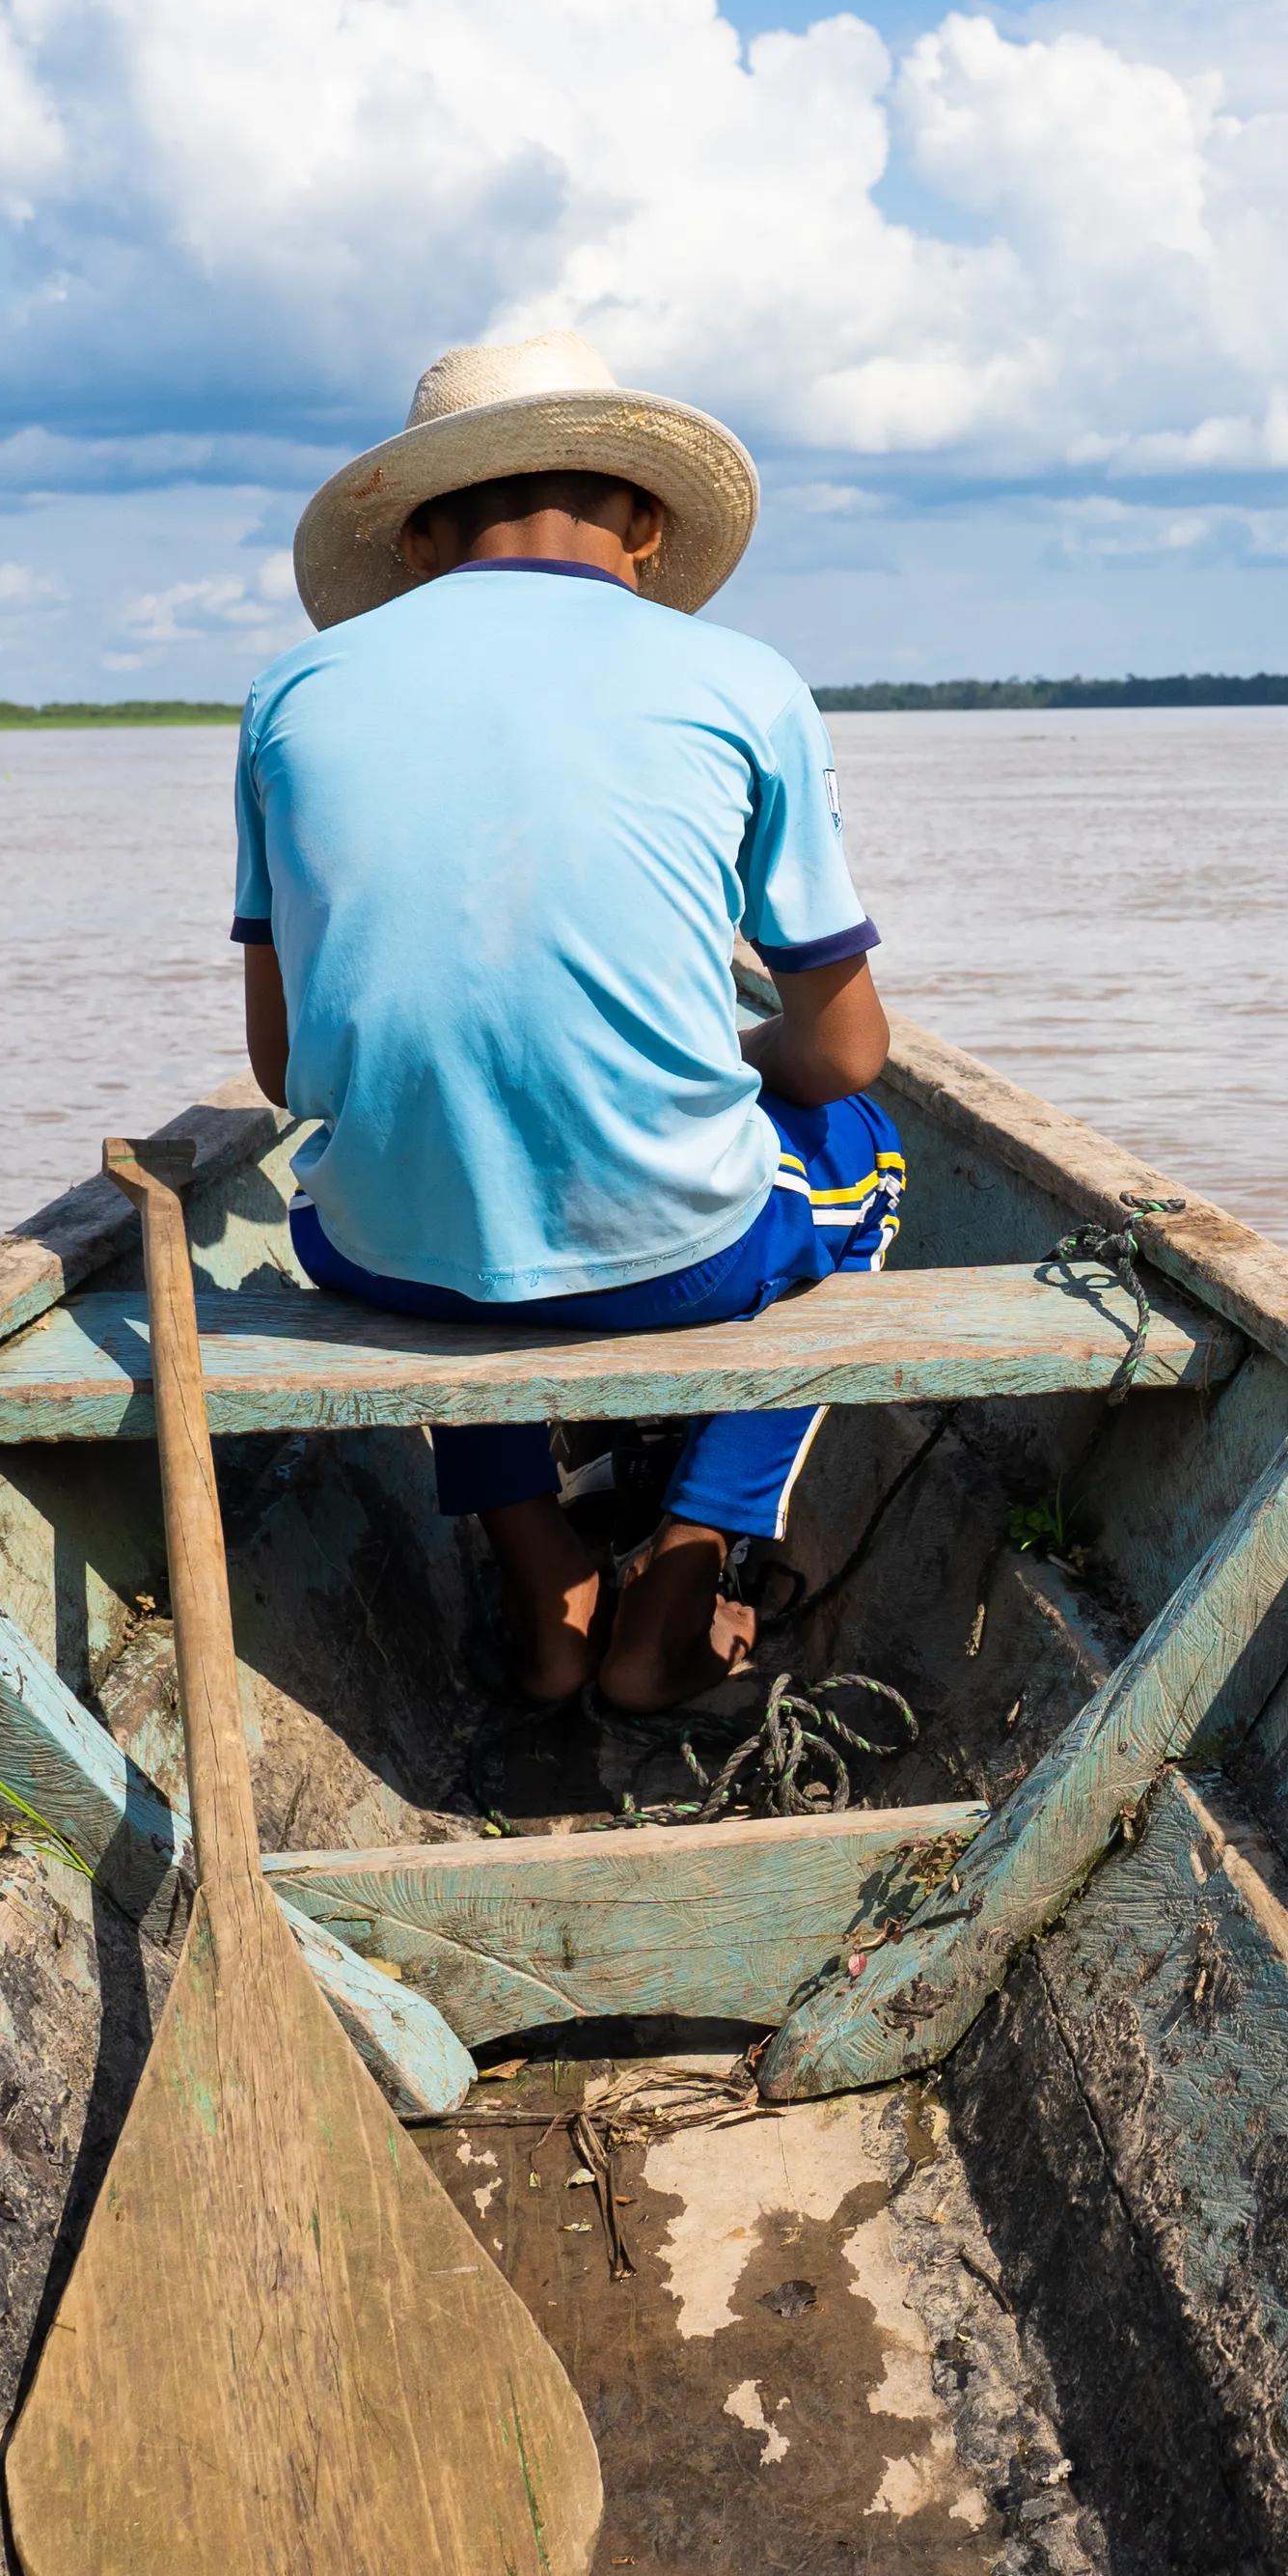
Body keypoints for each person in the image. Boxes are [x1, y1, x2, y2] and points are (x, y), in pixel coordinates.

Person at [232, 331, 896, 1716]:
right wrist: (737, 1058)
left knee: (421, 1163)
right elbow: (840, 1052)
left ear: (417, 542)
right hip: (678, 1254)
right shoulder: (746, 684)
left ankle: (540, 1574)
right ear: (648, 523)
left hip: (380, 1258)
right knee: (873, 1159)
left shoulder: (289, 697)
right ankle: (697, 1546)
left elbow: (286, 1067)